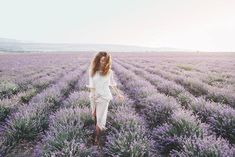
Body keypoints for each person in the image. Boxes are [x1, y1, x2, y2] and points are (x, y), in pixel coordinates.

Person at [85, 51, 124, 145]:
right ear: (98, 60)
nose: (104, 63)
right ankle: (98, 131)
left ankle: (96, 138)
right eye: (102, 60)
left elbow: (113, 84)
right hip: (94, 96)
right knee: (94, 116)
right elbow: (92, 87)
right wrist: (94, 100)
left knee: (99, 118)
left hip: (104, 97)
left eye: (106, 61)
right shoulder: (92, 71)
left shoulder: (109, 72)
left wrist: (118, 94)